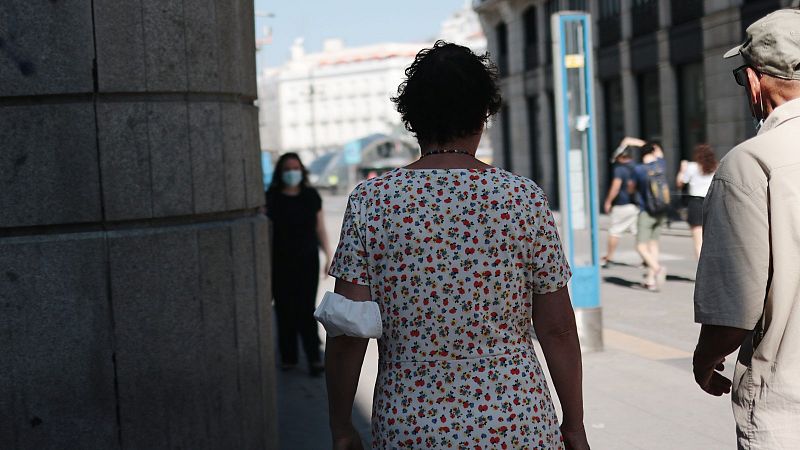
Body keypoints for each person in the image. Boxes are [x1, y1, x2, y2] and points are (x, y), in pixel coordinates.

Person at [322, 41, 588, 449]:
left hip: (410, 424)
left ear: (413, 118)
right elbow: (557, 328)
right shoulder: (522, 198)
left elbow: (348, 332)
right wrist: (573, 425)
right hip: (517, 419)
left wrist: (341, 426)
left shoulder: (372, 202)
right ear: (483, 114)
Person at [692, 9, 800, 448]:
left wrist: (706, 359)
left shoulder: (752, 163)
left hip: (789, 403)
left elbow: (736, 305)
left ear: (756, 82)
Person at [265, 152, 332, 376]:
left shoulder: (311, 196)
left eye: (295, 168)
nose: (292, 172)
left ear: (301, 171)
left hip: (307, 260)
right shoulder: (271, 197)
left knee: (305, 308)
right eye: (287, 169)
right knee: (283, 309)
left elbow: (320, 228)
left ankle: (314, 356)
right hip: (279, 262)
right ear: (280, 172)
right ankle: (288, 357)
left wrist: (328, 254)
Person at [601, 136, 646, 267]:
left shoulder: (620, 169)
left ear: (620, 157)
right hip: (636, 206)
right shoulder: (636, 167)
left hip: (622, 205)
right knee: (638, 233)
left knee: (615, 231)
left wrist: (608, 201)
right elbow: (626, 140)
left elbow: (616, 186)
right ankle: (647, 258)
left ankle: (609, 258)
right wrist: (644, 144)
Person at [632, 142, 669, 291]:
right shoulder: (661, 164)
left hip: (646, 211)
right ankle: (650, 280)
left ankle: (657, 268)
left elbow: (631, 188)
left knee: (640, 246)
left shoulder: (639, 170)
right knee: (653, 244)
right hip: (661, 210)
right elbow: (659, 152)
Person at [675, 144, 718, 259]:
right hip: (712, 202)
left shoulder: (692, 167)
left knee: (698, 241)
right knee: (711, 239)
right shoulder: (715, 168)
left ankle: (702, 273)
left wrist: (682, 170)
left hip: (696, 203)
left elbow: (680, 183)